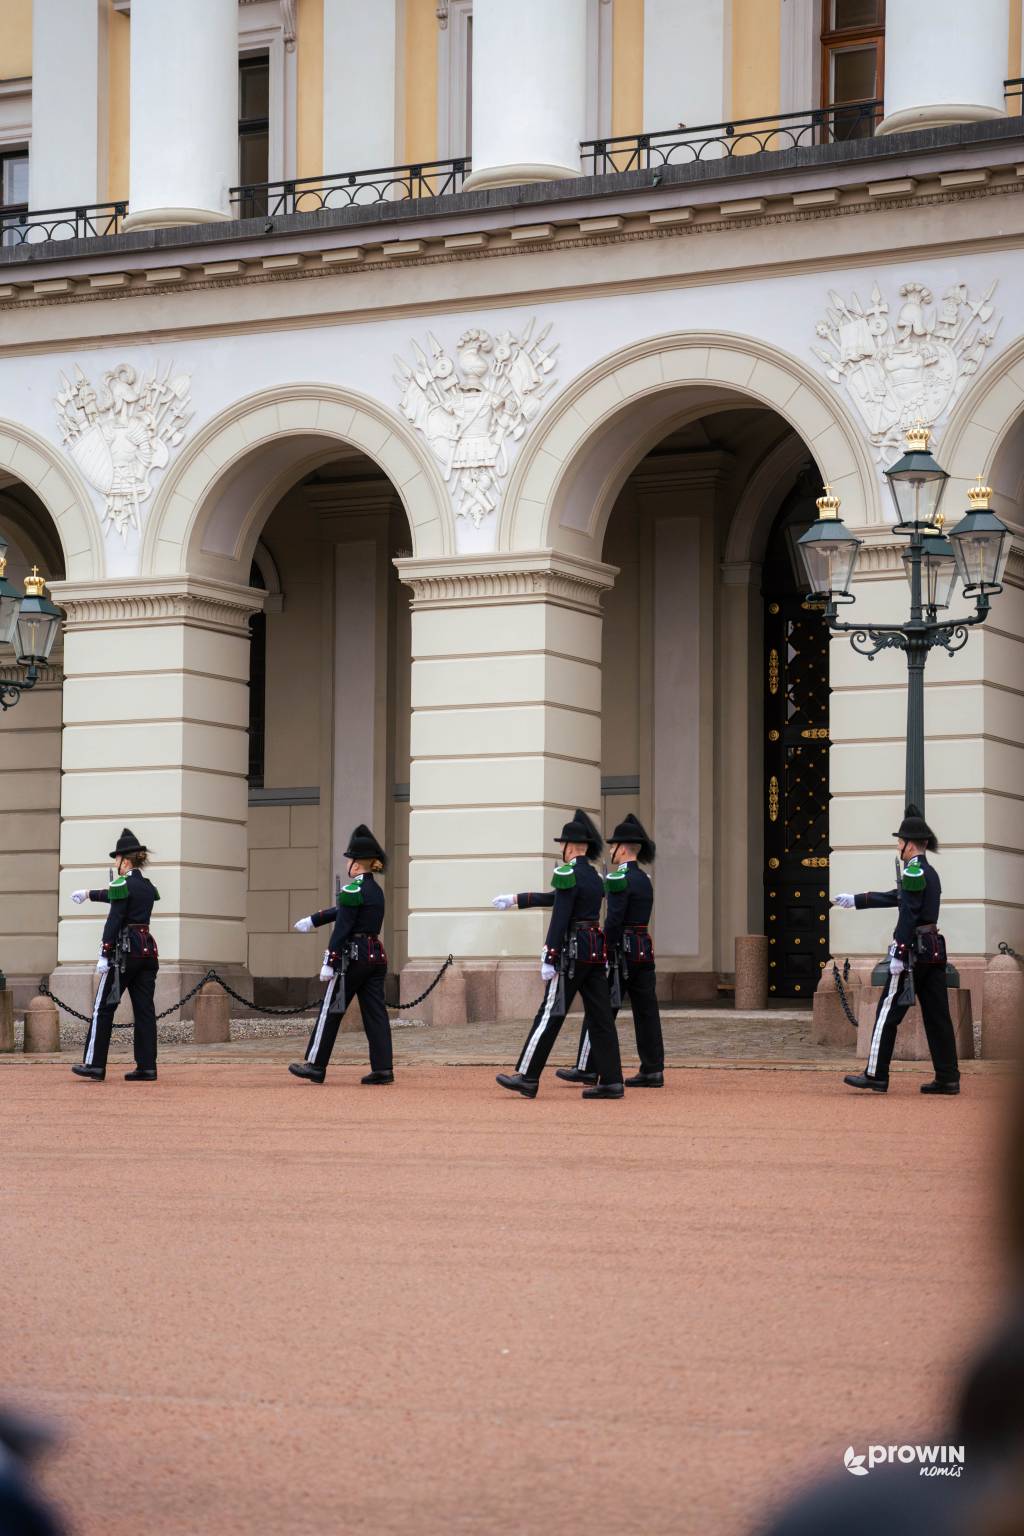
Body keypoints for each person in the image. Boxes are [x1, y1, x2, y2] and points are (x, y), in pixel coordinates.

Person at [491, 809, 624, 1100]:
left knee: (550, 1013)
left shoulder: (566, 873)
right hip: (594, 953)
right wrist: (516, 900)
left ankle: (527, 1076)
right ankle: (612, 1080)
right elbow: (557, 899)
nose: (561, 850)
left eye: (562, 844)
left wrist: (549, 954)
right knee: (601, 1018)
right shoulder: (592, 875)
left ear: (569, 846)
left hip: (573, 952)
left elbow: (560, 915)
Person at [833, 803, 960, 1095]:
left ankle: (876, 1074)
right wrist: (857, 899)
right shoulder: (928, 871)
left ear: (909, 844)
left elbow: (908, 914)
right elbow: (900, 897)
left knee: (886, 1012)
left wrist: (899, 954)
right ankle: (948, 1076)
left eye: (900, 842)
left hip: (913, 954)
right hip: (933, 953)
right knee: (938, 1016)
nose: (898, 847)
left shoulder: (914, 870)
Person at [557, 813, 666, 1089]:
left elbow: (614, 922)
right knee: (647, 1013)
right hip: (644, 951)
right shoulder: (645, 879)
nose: (611, 851)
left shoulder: (620, 879)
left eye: (614, 846)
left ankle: (586, 1067)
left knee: (601, 1012)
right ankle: (653, 1069)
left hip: (622, 955)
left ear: (623, 848)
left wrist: (605, 952)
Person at [288, 824, 392, 1085]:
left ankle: (316, 1064)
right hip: (374, 958)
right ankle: (383, 1068)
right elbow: (343, 911)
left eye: (351, 861)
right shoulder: (374, 891)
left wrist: (330, 961)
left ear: (356, 866)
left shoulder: (352, 891)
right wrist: (313, 920)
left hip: (352, 960)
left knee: (330, 1011)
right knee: (375, 1014)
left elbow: (342, 928)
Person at [69, 828, 160, 1083]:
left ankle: (94, 1064)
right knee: (144, 1010)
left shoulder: (122, 883)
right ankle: (147, 1067)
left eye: (116, 860)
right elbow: (116, 896)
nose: (115, 864)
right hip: (147, 951)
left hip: (125, 953)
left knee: (103, 1009)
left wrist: (104, 952)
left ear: (125, 861)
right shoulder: (146, 886)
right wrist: (88, 894)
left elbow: (115, 918)